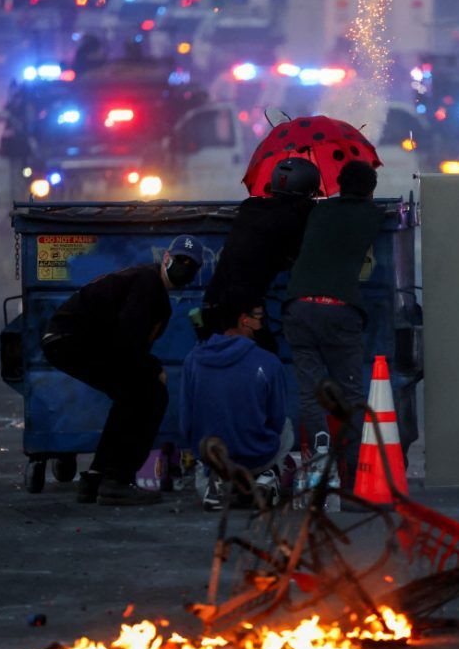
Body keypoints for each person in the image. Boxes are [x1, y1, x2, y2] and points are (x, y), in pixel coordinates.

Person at [41, 235, 203, 506]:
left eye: (190, 264)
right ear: (165, 258)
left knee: (132, 396)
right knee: (150, 395)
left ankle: (97, 477)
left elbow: (128, 345)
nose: (184, 266)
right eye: (179, 260)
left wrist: (147, 368)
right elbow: (128, 339)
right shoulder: (148, 283)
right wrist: (154, 369)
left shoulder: (151, 288)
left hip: (67, 340)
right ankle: (116, 480)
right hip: (73, 339)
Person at [283, 160, 381, 486]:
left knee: (311, 394)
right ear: (371, 190)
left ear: (338, 183)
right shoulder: (373, 215)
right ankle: (351, 478)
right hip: (340, 308)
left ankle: (319, 452)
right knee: (350, 394)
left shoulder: (319, 212)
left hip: (300, 306)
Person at [197, 157, 320, 351]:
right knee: (266, 358)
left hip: (214, 303)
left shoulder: (249, 208)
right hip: (240, 310)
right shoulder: (293, 220)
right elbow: (296, 257)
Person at [180, 301, 291, 510]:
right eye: (259, 318)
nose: (262, 326)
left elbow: (186, 423)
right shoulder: (269, 362)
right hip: (257, 457)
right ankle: (266, 479)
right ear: (244, 320)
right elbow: (276, 421)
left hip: (213, 460)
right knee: (287, 427)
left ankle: (218, 483)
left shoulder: (193, 360)